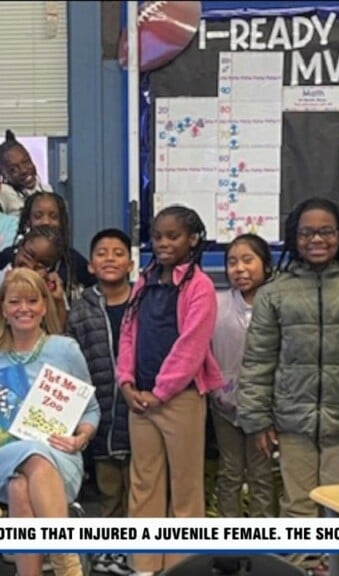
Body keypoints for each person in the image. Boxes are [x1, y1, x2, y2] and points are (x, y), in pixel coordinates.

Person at [238, 198, 339, 575]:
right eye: (307, 232)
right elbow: (258, 362)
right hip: (292, 421)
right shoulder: (274, 292)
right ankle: (300, 567)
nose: (317, 239)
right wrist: (258, 420)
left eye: (326, 231)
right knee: (298, 504)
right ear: (293, 238)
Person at [0, 268, 97, 576]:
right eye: (15, 302)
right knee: (30, 453)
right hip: (1, 455)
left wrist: (79, 439)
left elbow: (90, 411)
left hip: (61, 456)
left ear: (44, 306)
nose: (24, 309)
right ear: (2, 309)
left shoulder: (66, 350)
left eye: (32, 301)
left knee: (20, 486)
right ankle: (66, 559)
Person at [116, 206, 222, 575]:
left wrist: (161, 392)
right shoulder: (144, 282)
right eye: (158, 236)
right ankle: (144, 566)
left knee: (185, 486)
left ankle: (182, 567)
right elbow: (128, 332)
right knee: (143, 482)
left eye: (172, 236)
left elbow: (191, 347)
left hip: (180, 398)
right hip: (139, 398)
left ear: (192, 240)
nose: (163, 243)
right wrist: (126, 381)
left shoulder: (200, 286)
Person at [65, 228, 135, 576]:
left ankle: (138, 553)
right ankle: (108, 553)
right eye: (102, 253)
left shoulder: (144, 302)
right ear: (90, 265)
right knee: (108, 489)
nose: (110, 258)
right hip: (100, 414)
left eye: (118, 252)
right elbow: (71, 364)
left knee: (140, 489)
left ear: (131, 263)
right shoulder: (80, 311)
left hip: (140, 413)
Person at [210, 234, 276, 518]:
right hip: (224, 404)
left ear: (266, 265)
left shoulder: (276, 304)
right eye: (232, 262)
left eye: (248, 260)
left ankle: (263, 545)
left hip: (265, 407)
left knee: (262, 474)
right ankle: (229, 545)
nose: (239, 269)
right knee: (230, 472)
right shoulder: (217, 303)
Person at [0, 192, 95, 290]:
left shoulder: (72, 259)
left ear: (61, 222)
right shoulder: (9, 256)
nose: (46, 222)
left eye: (53, 217)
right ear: (28, 221)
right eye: (38, 216)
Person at [0, 226, 68, 329]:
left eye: (41, 264)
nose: (31, 266)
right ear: (20, 246)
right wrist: (10, 285)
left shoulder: (50, 286)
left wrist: (57, 300)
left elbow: (58, 331)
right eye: (28, 255)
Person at [0, 130, 54, 216]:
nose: (24, 170)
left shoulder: (47, 189)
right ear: (3, 174)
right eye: (13, 169)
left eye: (26, 162)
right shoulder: (3, 192)